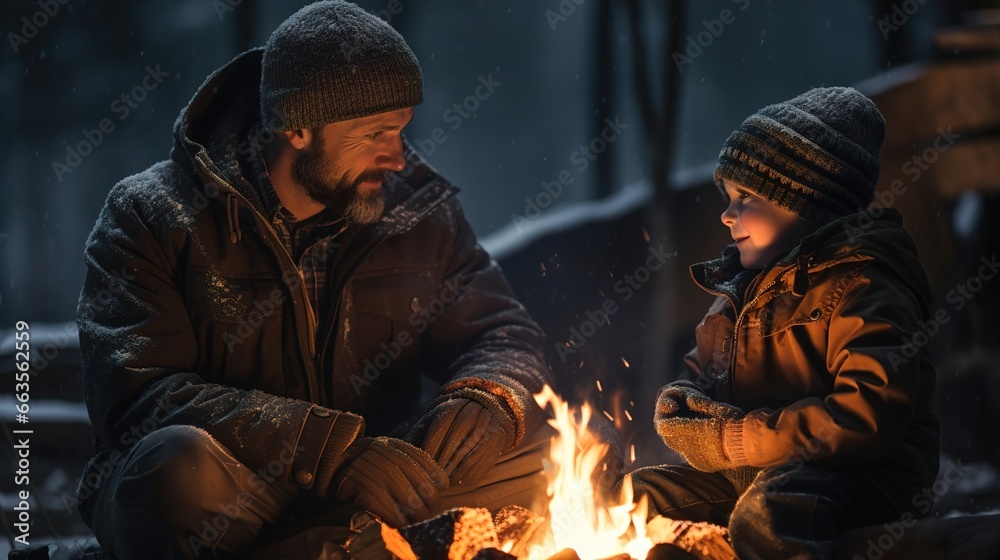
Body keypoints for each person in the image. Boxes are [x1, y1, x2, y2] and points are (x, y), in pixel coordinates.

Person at [73, 2, 555, 558]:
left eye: (401, 130)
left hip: (378, 482)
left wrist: (489, 397)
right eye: (376, 133)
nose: (399, 158)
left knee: (546, 443)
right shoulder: (152, 216)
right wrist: (324, 450)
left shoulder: (418, 213)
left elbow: (499, 332)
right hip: (235, 488)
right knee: (176, 471)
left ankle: (327, 545)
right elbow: (138, 397)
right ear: (297, 127)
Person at [628, 87, 940, 558]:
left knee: (768, 513)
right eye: (728, 196)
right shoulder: (739, 291)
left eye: (745, 196)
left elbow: (866, 417)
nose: (726, 214)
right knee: (636, 497)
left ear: (807, 198)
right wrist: (683, 406)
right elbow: (702, 376)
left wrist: (735, 439)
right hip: (754, 475)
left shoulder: (865, 282)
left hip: (860, 480)